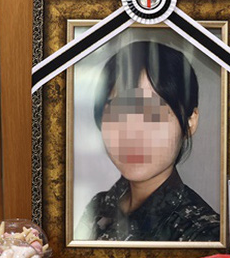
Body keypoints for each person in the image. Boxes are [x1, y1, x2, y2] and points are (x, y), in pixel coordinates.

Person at [75, 41, 220, 242]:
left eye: (153, 114)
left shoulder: (203, 233)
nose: (132, 133)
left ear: (190, 121)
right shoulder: (99, 206)